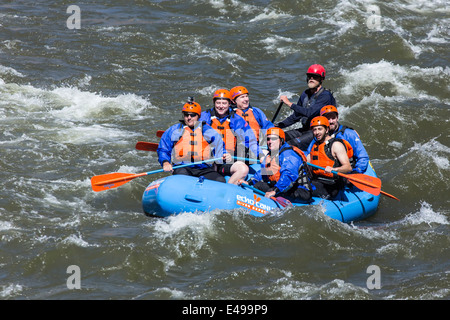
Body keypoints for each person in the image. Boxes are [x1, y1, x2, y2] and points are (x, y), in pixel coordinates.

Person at [200, 89, 264, 184]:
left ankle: (228, 189)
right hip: (206, 160)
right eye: (218, 103)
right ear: (214, 103)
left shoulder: (236, 120)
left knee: (243, 169)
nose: (221, 106)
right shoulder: (204, 117)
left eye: (224, 103)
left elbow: (250, 140)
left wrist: (260, 155)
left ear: (229, 103)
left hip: (226, 161)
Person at [157, 98, 229, 183]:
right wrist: (165, 162)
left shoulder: (208, 131)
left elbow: (220, 148)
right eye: (186, 115)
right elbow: (163, 149)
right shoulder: (174, 130)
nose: (189, 118)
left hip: (204, 169)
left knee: (220, 180)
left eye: (192, 115)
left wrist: (225, 155)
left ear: (198, 116)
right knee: (182, 176)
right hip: (183, 167)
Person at [276, 64, 336, 151]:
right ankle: (257, 161)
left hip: (317, 132)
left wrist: (290, 104)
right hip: (304, 130)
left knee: (289, 144)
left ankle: (275, 163)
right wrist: (278, 125)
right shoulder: (305, 94)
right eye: (309, 76)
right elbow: (295, 116)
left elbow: (310, 112)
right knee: (275, 136)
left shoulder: (325, 95)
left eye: (315, 77)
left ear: (321, 79)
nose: (311, 78)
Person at [247, 127, 312, 202]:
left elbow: (289, 175)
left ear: (281, 141)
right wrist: (249, 182)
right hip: (282, 187)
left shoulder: (289, 154)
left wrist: (275, 190)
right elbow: (263, 172)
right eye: (268, 139)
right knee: (258, 185)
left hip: (301, 190)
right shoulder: (272, 154)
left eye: (274, 139)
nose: (270, 142)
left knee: (267, 189)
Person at [306, 116, 352, 199]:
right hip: (317, 180)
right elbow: (309, 160)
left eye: (320, 129)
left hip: (332, 185)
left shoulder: (336, 145)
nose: (317, 132)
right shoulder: (316, 145)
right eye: (314, 129)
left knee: (303, 189)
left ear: (327, 130)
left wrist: (334, 169)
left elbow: (348, 167)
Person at [319, 105, 369, 174]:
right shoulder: (319, 135)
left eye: (333, 118)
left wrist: (357, 171)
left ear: (337, 118)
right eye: (328, 119)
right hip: (328, 171)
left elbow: (363, 156)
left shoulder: (349, 134)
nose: (331, 121)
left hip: (347, 171)